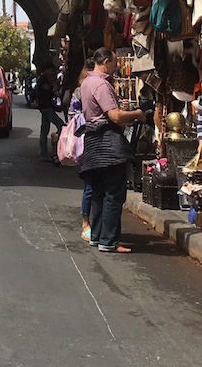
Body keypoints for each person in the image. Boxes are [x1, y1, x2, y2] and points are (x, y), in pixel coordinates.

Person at [79, 47, 148, 253]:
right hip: (106, 143)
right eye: (116, 63)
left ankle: (98, 236)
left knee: (99, 191)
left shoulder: (87, 82)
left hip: (93, 141)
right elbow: (115, 116)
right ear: (106, 61)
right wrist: (136, 113)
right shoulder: (101, 84)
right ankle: (109, 240)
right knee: (113, 192)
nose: (117, 67)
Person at [67, 58, 95, 241]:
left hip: (102, 141)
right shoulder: (80, 91)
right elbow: (72, 114)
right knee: (90, 185)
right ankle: (86, 222)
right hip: (87, 141)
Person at [36, 68, 65, 163]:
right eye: (51, 70)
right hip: (46, 107)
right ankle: (60, 150)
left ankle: (43, 153)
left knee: (44, 129)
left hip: (45, 106)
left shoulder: (42, 79)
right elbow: (47, 93)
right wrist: (54, 89)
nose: (52, 73)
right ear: (46, 70)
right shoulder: (43, 80)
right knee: (60, 125)